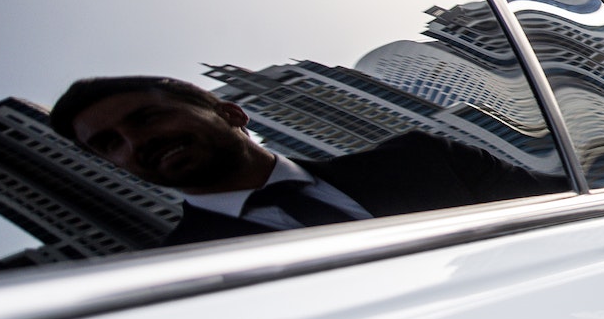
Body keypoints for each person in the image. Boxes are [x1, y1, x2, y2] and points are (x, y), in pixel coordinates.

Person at [50, 75, 564, 245]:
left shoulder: (427, 159)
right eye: (109, 144)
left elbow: (568, 221)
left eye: (146, 118)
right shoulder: (172, 274)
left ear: (230, 112)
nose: (135, 144)